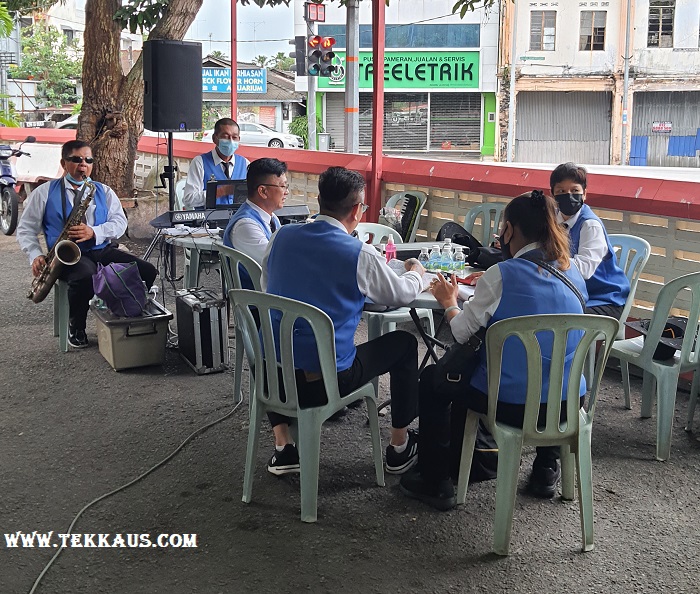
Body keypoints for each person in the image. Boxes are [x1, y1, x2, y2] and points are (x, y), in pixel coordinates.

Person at [399, 191, 588, 511]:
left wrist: (449, 302)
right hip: (568, 403)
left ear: (510, 231)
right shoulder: (573, 271)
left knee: (433, 380)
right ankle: (545, 467)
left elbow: (460, 333)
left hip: (510, 404)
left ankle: (435, 480)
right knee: (550, 368)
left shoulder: (503, 274)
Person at [260, 166, 426, 476]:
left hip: (274, 377)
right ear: (357, 210)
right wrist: (417, 272)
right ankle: (399, 447)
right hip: (326, 382)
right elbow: (401, 294)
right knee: (404, 344)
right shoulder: (359, 253)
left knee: (271, 341)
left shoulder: (281, 235)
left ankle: (284, 447)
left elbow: (268, 288)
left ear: (319, 200)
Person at [16, 140, 157, 348]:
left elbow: (119, 223)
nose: (83, 165)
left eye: (88, 160)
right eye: (77, 159)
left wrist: (94, 232)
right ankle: (77, 326)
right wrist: (35, 255)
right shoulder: (44, 192)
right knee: (85, 276)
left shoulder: (103, 191)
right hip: (66, 257)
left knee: (146, 270)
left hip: (101, 249)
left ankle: (133, 317)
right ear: (64, 164)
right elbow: (26, 228)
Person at [550, 162, 630, 319]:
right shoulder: (553, 220)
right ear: (552, 195)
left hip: (604, 300)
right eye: (561, 191)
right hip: (576, 294)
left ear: (584, 193)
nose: (569, 196)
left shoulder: (589, 225)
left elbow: (584, 270)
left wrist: (548, 262)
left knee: (556, 317)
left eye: (575, 190)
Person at [222, 157, 287, 278]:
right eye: (282, 186)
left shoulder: (271, 218)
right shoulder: (245, 225)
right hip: (256, 295)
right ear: (262, 191)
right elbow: (277, 263)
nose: (286, 192)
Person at [183, 118, 249, 209]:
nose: (230, 141)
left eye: (234, 137)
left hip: (238, 220)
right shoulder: (200, 162)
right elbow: (188, 199)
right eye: (225, 136)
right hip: (208, 220)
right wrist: (221, 191)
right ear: (215, 138)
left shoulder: (245, 163)